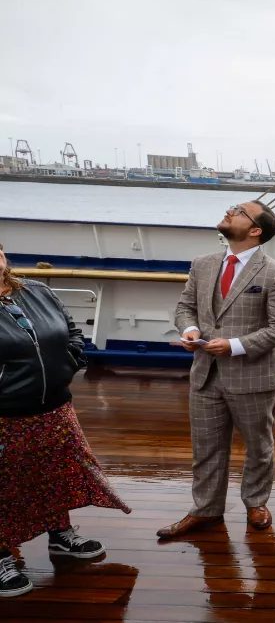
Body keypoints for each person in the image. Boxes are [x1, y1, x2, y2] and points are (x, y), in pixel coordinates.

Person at [156, 201, 275, 539]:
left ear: (255, 230)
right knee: (205, 447)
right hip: (205, 373)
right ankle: (205, 510)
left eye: (239, 211)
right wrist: (188, 330)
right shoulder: (202, 265)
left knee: (258, 445)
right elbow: (185, 307)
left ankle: (255, 502)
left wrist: (234, 345)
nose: (229, 211)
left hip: (253, 375)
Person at [0, 244, 131, 598]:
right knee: (6, 483)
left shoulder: (37, 292)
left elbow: (72, 333)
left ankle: (60, 534)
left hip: (55, 406)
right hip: (5, 413)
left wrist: (68, 363)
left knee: (55, 473)